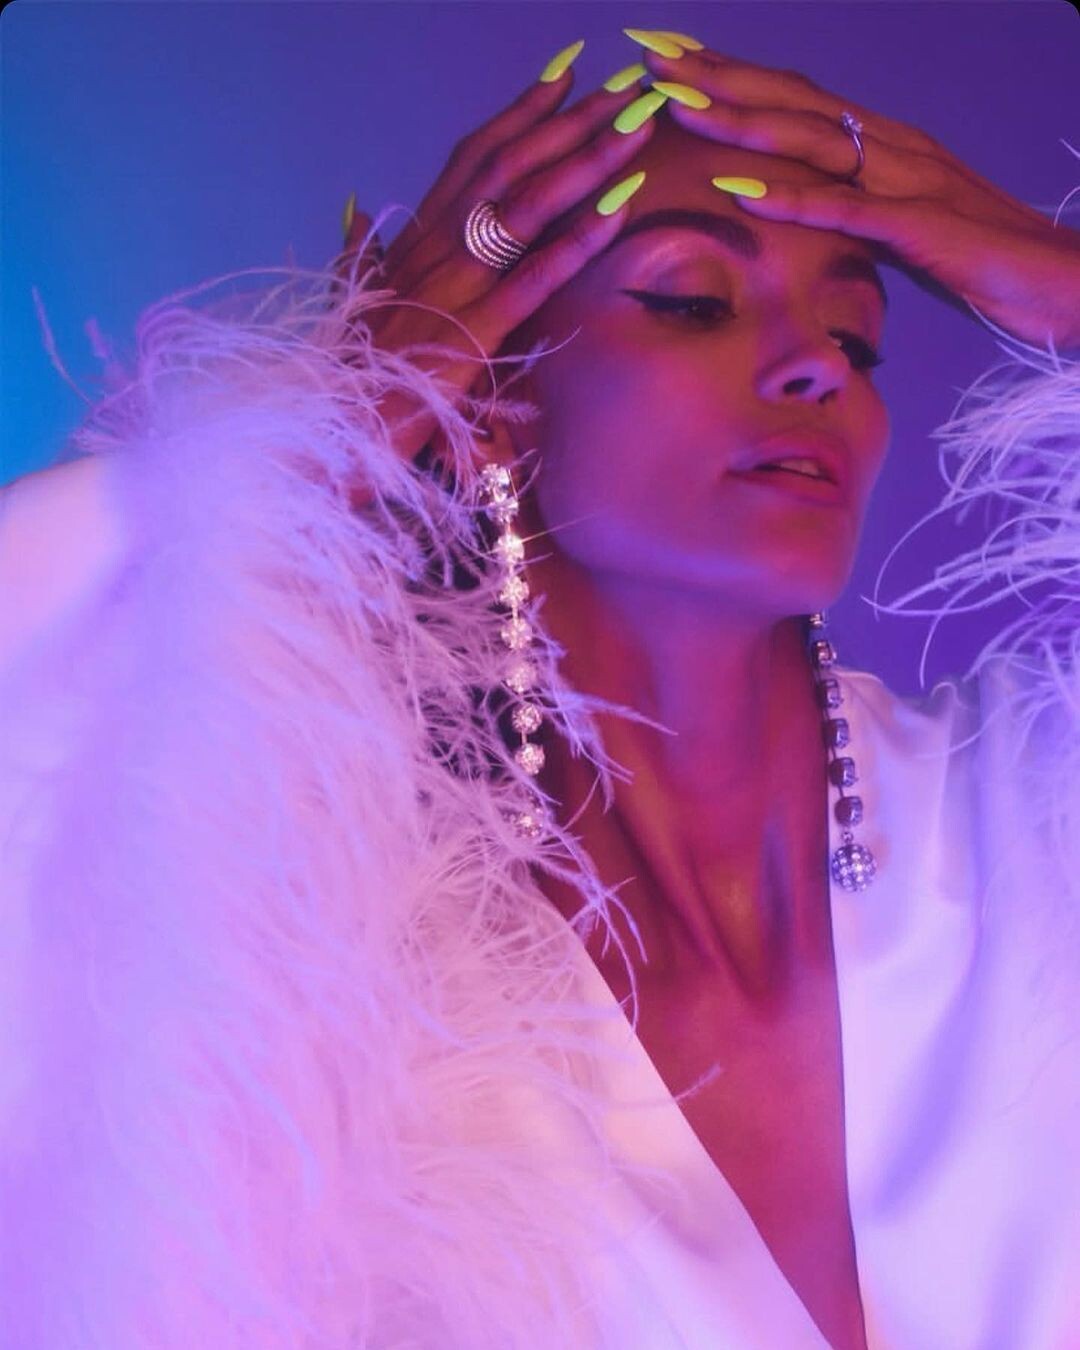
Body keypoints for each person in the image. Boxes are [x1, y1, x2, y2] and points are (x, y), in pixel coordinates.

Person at [1, 27, 1078, 1350]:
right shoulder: (342, 962)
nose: (815, 365)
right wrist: (308, 443)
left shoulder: (1028, 829)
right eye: (693, 299)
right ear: (491, 402)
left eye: (857, 336)